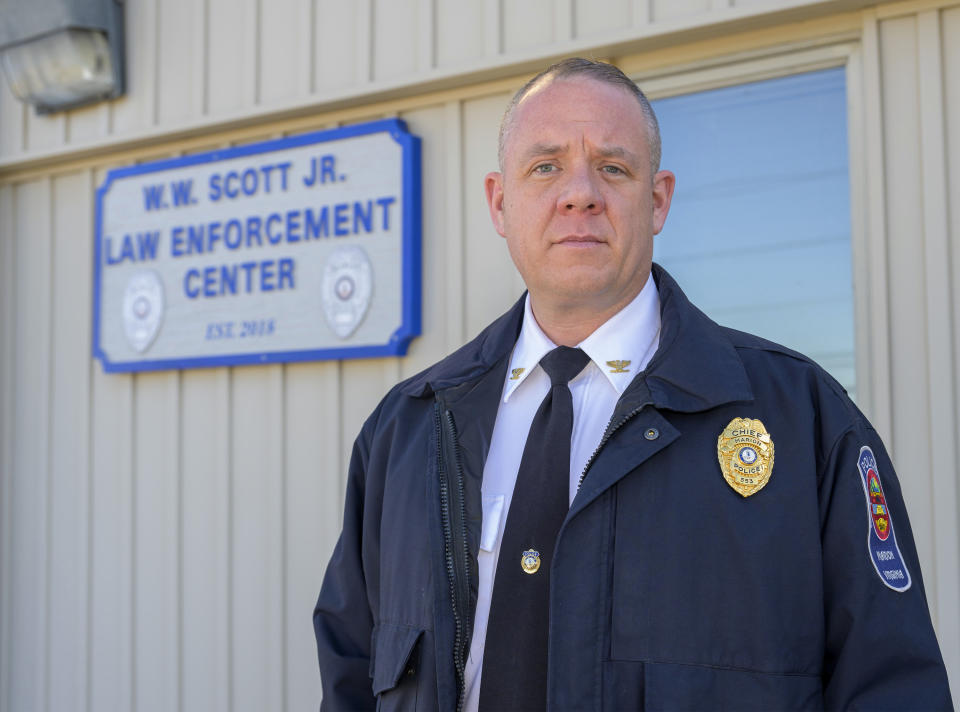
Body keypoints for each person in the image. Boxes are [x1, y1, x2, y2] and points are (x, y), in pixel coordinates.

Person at [314, 58, 952, 711]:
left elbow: (893, 686)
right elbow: (350, 673)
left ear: (658, 201)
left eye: (613, 168)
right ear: (500, 203)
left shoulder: (806, 422)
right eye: (545, 167)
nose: (579, 192)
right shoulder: (407, 430)